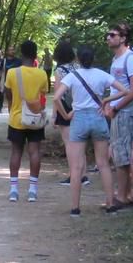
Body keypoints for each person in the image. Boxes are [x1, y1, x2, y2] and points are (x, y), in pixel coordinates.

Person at [53, 44, 129, 216]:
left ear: (78, 59)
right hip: (98, 117)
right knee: (103, 164)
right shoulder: (102, 75)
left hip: (79, 119)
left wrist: (65, 115)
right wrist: (106, 100)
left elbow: (57, 97)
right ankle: (110, 204)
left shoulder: (73, 76)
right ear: (93, 58)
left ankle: (75, 208)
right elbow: (125, 90)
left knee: (76, 167)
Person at [3, 39, 47, 203]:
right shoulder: (42, 74)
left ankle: (14, 190)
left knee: (16, 152)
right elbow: (42, 97)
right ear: (35, 55)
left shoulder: (12, 73)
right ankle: (32, 190)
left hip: (17, 118)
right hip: (34, 118)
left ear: (21, 54)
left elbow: (8, 93)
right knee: (34, 152)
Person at [105, 22, 133, 209]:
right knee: (120, 154)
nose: (108, 38)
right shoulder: (115, 60)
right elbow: (116, 87)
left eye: (112, 35)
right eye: (107, 35)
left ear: (123, 38)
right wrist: (108, 103)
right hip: (116, 111)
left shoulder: (131, 59)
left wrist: (116, 107)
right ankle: (127, 196)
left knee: (121, 155)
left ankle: (121, 197)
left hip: (125, 112)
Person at [51, 40, 88, 187]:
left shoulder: (59, 71)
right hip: (79, 106)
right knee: (80, 142)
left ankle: (73, 174)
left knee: (69, 143)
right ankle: (84, 174)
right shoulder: (78, 67)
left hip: (65, 108)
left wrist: (54, 115)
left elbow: (57, 95)